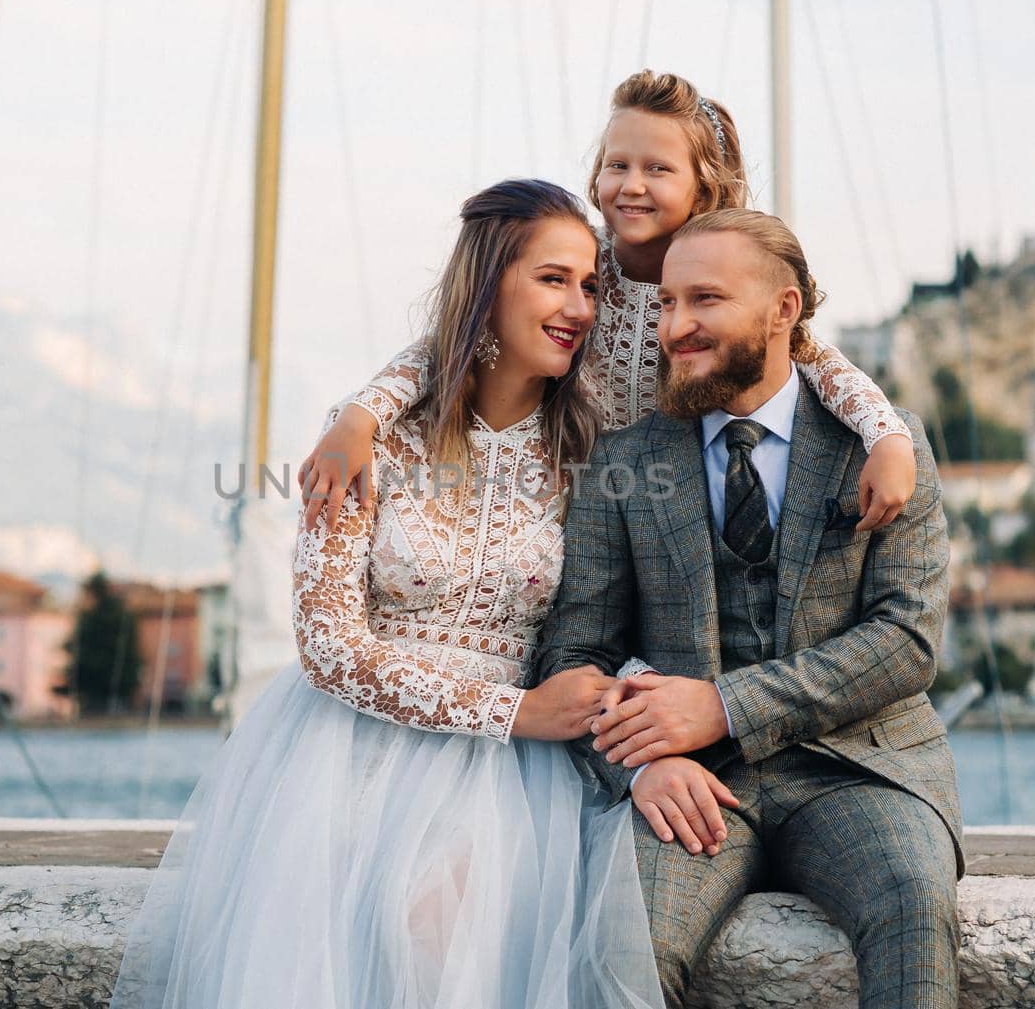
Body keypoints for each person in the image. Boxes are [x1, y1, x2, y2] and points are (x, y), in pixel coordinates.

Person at [109, 179, 666, 1009]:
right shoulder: (373, 441)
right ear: (487, 284)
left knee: (449, 933)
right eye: (553, 279)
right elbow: (329, 644)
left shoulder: (594, 443)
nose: (579, 306)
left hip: (514, 777)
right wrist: (515, 714)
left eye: (589, 285)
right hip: (347, 753)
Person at [538, 208, 963, 1008]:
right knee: (623, 947)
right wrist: (639, 764)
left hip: (860, 769)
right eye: (666, 303)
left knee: (913, 906)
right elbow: (573, 654)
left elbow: (906, 641)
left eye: (705, 300)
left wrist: (724, 706)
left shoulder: (883, 446)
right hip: (688, 787)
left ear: (783, 310)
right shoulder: (620, 462)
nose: (677, 326)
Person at [300, 71, 916, 534]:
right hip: (573, 492)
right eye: (617, 164)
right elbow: (456, 339)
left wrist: (886, 436)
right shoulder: (579, 263)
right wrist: (363, 416)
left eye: (658, 169)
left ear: (704, 185)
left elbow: (816, 358)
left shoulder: (721, 278)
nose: (632, 185)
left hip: (674, 502)